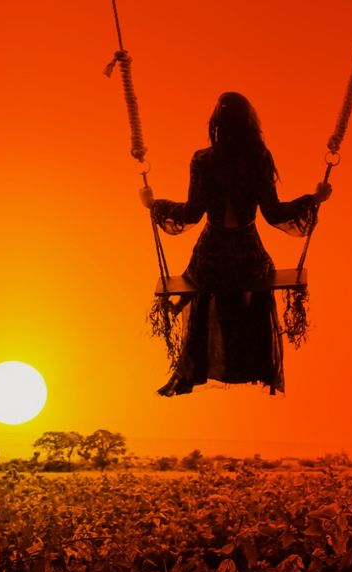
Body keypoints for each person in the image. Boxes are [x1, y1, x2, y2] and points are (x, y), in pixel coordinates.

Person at [141, 91, 332, 395]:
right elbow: (274, 213)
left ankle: (189, 354)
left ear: (216, 124)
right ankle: (255, 362)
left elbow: (191, 214)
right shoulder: (259, 158)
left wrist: (154, 205)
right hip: (247, 259)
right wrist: (315, 198)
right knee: (254, 288)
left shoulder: (202, 160)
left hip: (211, 259)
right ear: (249, 123)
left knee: (202, 287)